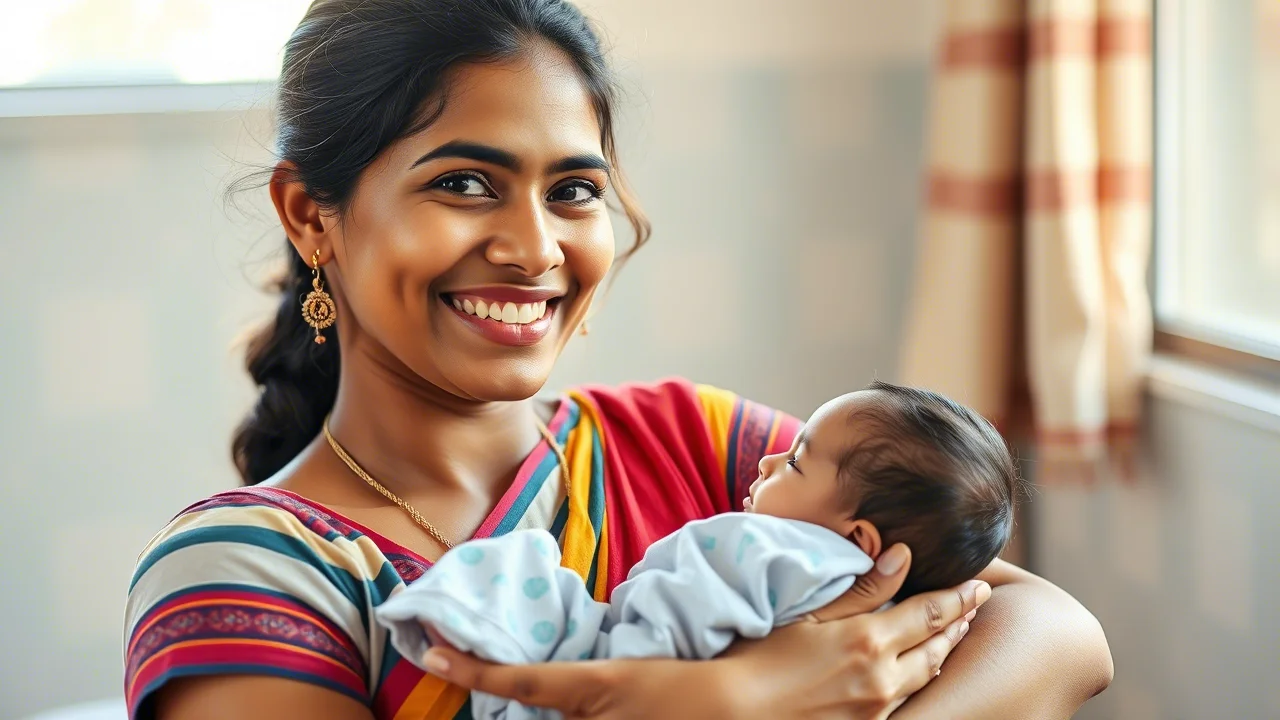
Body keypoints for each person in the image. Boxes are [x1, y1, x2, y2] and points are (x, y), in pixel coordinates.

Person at [122, 1, 1114, 719]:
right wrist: (725, 705)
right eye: (465, 182)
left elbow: (1058, 633)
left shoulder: (694, 442)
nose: (535, 247)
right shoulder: (249, 577)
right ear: (310, 216)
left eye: (572, 190)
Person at [373, 382, 1021, 720]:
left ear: (862, 541)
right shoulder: (870, 559)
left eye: (794, 461)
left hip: (627, 654)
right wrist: (740, 694)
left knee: (516, 573)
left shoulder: (777, 549)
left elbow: (1070, 637)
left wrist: (708, 692)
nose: (768, 459)